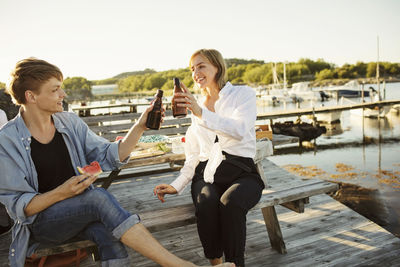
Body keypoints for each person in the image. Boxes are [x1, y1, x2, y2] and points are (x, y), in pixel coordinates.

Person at [0, 58, 234, 267]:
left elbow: (109, 155)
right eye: (55, 90)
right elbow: (20, 208)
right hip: (42, 225)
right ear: (31, 96)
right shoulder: (7, 140)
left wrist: (140, 126)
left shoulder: (68, 123)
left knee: (109, 234)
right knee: (98, 198)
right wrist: (61, 193)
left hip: (81, 213)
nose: (63, 95)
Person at [154, 49, 265, 267]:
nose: (196, 72)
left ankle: (234, 264)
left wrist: (200, 112)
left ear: (217, 66)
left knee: (230, 204)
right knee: (206, 203)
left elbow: (240, 130)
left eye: (201, 65)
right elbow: (194, 155)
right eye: (192, 68)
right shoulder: (199, 108)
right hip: (207, 173)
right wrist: (176, 185)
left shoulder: (242, 95)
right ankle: (216, 264)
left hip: (242, 171)